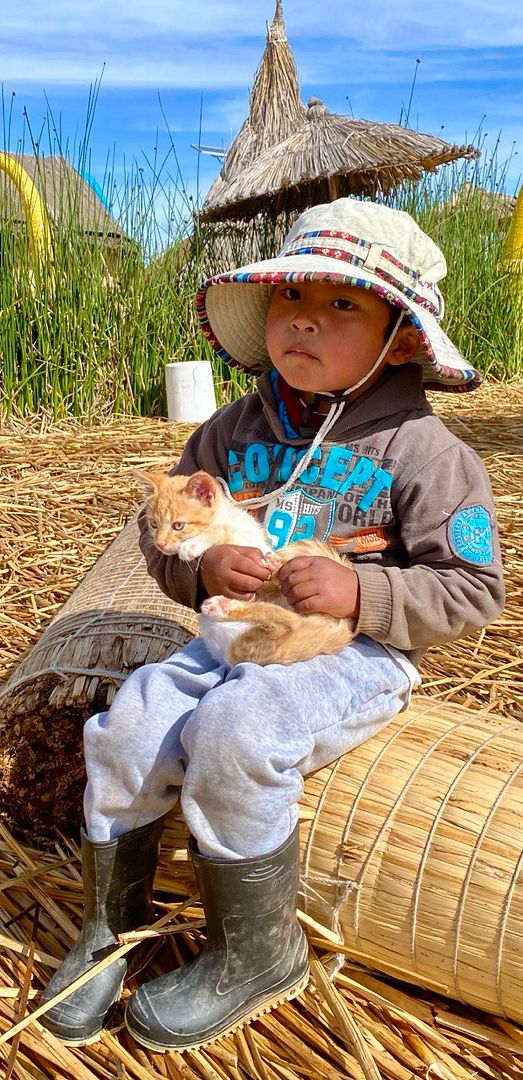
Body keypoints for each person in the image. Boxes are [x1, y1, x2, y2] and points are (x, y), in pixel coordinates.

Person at [40, 197, 504, 1052]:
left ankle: (257, 951)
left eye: (341, 306)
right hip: (228, 632)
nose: (303, 322)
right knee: (130, 717)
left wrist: (363, 593)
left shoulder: (428, 455)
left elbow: (473, 591)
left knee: (240, 725)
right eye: (290, 299)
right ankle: (111, 927)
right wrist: (199, 567)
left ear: (400, 339)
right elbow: (162, 536)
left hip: (356, 654)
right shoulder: (228, 432)